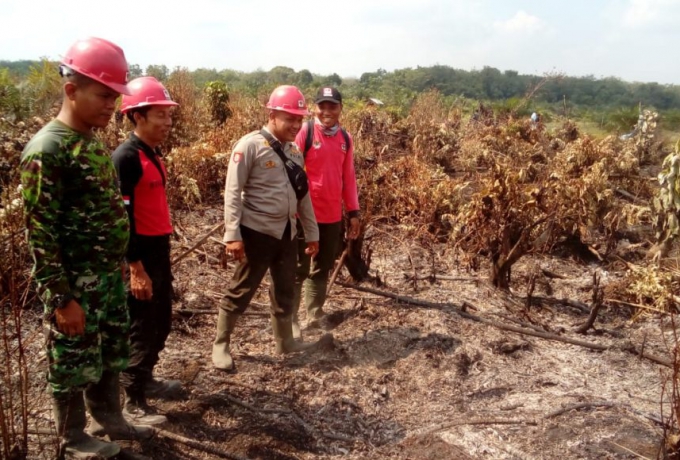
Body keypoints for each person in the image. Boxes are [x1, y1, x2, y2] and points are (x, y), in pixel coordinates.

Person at [20, 37, 152, 459]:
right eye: (102, 95)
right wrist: (61, 299)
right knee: (71, 361)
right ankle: (73, 439)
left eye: (115, 97)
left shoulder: (90, 140)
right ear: (71, 90)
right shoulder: (48, 149)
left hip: (106, 278)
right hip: (75, 284)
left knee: (110, 351)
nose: (110, 106)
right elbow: (39, 234)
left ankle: (108, 419)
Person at [213, 85, 321, 371]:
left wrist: (312, 232)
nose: (296, 125)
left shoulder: (294, 152)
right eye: (290, 118)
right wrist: (232, 235)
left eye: (300, 119)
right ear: (272, 114)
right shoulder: (249, 146)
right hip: (256, 232)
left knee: (284, 288)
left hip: (287, 233)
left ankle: (284, 340)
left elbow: (303, 196)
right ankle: (221, 344)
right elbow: (233, 192)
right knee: (241, 289)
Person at [113, 76, 182, 426]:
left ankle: (147, 378)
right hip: (140, 252)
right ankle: (133, 399)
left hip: (159, 247)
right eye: (161, 116)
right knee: (142, 324)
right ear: (138, 116)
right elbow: (123, 217)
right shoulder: (125, 158)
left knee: (162, 319)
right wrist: (135, 266)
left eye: (170, 116)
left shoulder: (151, 153)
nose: (168, 123)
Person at [293, 86, 360, 336]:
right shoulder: (305, 132)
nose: (327, 111)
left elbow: (348, 177)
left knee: (322, 267)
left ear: (341, 108)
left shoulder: (345, 138)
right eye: (322, 106)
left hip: (332, 216)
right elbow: (291, 171)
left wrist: (353, 212)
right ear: (315, 108)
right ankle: (291, 321)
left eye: (332, 106)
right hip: (303, 215)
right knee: (299, 267)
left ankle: (314, 313)